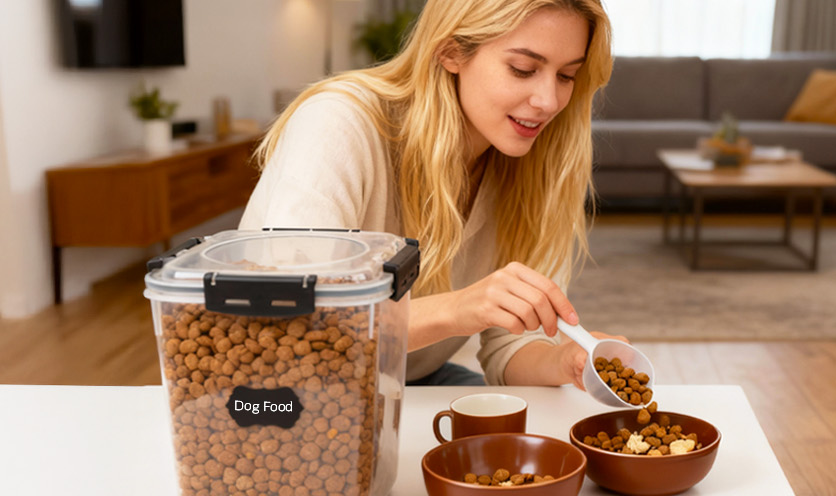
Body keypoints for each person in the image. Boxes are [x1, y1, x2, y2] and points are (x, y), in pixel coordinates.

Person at [239, 0, 619, 388]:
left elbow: (510, 346)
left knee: (529, 433)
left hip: (406, 376)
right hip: (278, 389)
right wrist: (459, 308)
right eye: (523, 69)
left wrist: (564, 360)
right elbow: (293, 323)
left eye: (567, 76)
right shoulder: (337, 125)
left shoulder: (532, 164)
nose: (549, 101)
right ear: (451, 51)